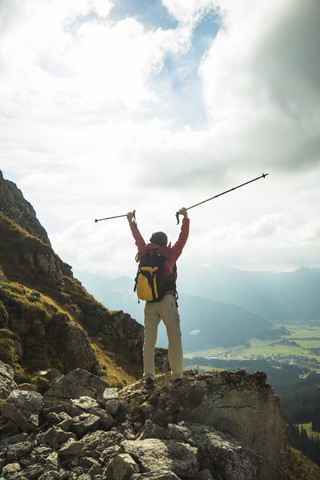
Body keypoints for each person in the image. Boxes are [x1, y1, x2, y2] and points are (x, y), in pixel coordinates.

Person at [127, 208, 189, 388]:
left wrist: (131, 221)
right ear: (163, 242)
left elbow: (137, 239)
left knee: (149, 341)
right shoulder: (170, 254)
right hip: (167, 301)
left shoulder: (144, 252)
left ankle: (148, 376)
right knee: (174, 337)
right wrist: (185, 218)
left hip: (149, 302)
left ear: (151, 241)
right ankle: (177, 376)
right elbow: (182, 239)